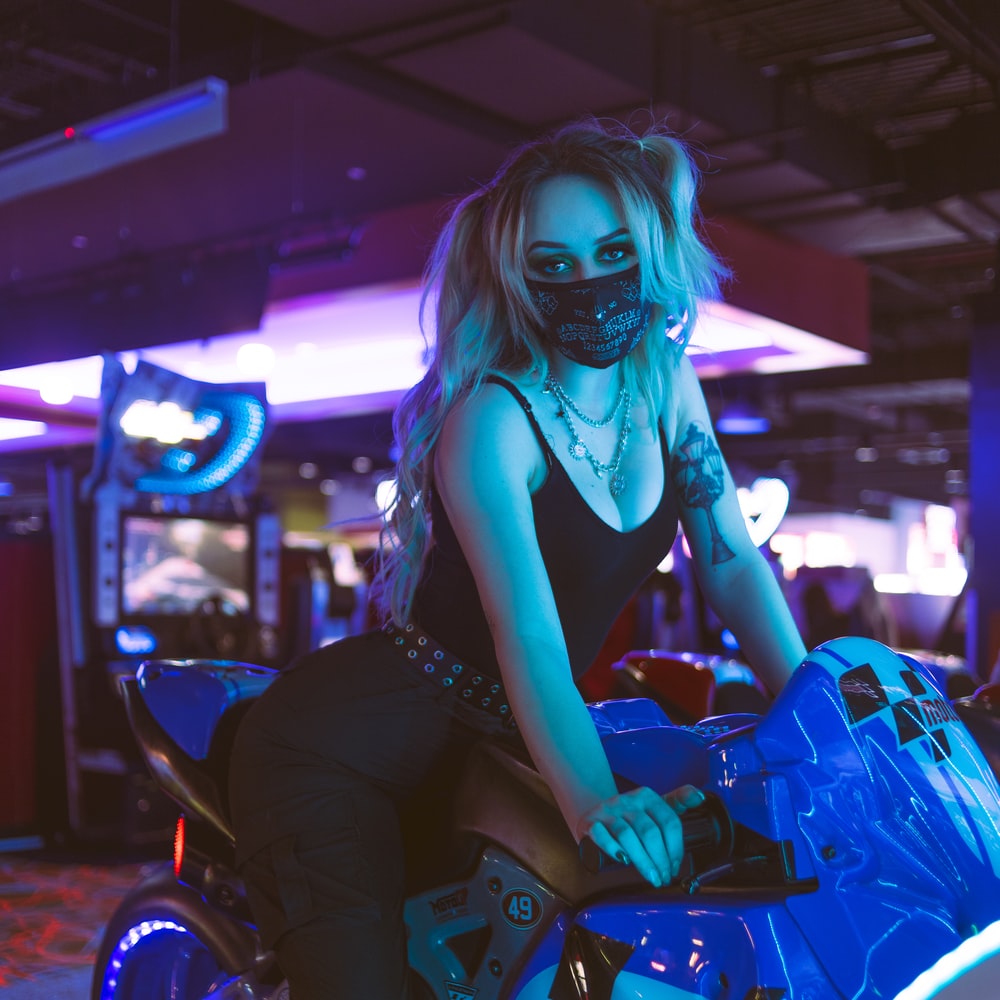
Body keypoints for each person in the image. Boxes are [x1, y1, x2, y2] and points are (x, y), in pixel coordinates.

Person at [228, 118, 807, 998]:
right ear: (517, 279)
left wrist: (819, 707)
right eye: (555, 265)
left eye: (613, 254)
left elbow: (729, 563)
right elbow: (529, 638)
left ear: (651, 252)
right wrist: (593, 805)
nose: (590, 283)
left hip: (515, 734)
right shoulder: (492, 422)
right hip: (353, 745)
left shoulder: (667, 384)